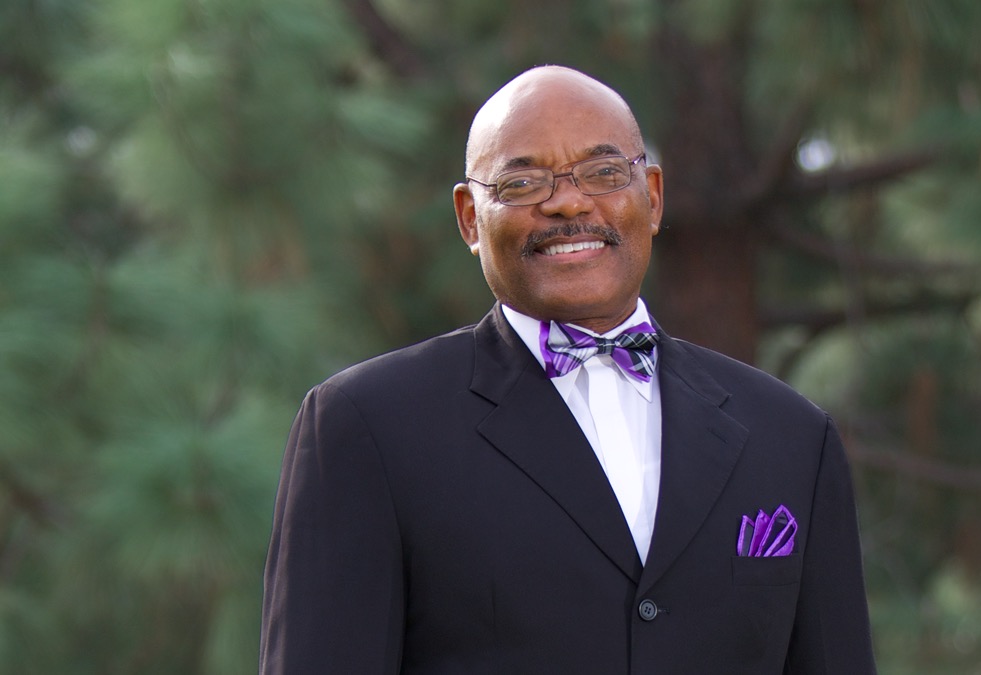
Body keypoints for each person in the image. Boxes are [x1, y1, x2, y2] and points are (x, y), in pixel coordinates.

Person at [259, 65, 876, 674]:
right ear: (470, 217)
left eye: (604, 173)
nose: (570, 202)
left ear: (653, 197)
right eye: (523, 183)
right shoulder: (368, 426)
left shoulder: (792, 438)